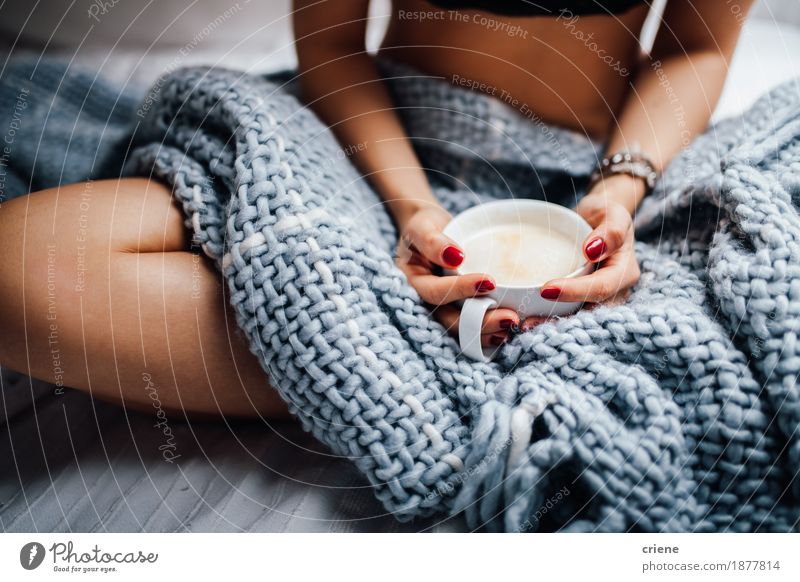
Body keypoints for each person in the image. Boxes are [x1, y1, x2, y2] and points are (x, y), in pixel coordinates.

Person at [0, 0, 752, 418]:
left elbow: (696, 43)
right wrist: (409, 206)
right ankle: (425, 353)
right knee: (17, 268)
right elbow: (331, 38)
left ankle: (381, 349)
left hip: (597, 173)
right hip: (369, 141)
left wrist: (620, 189)